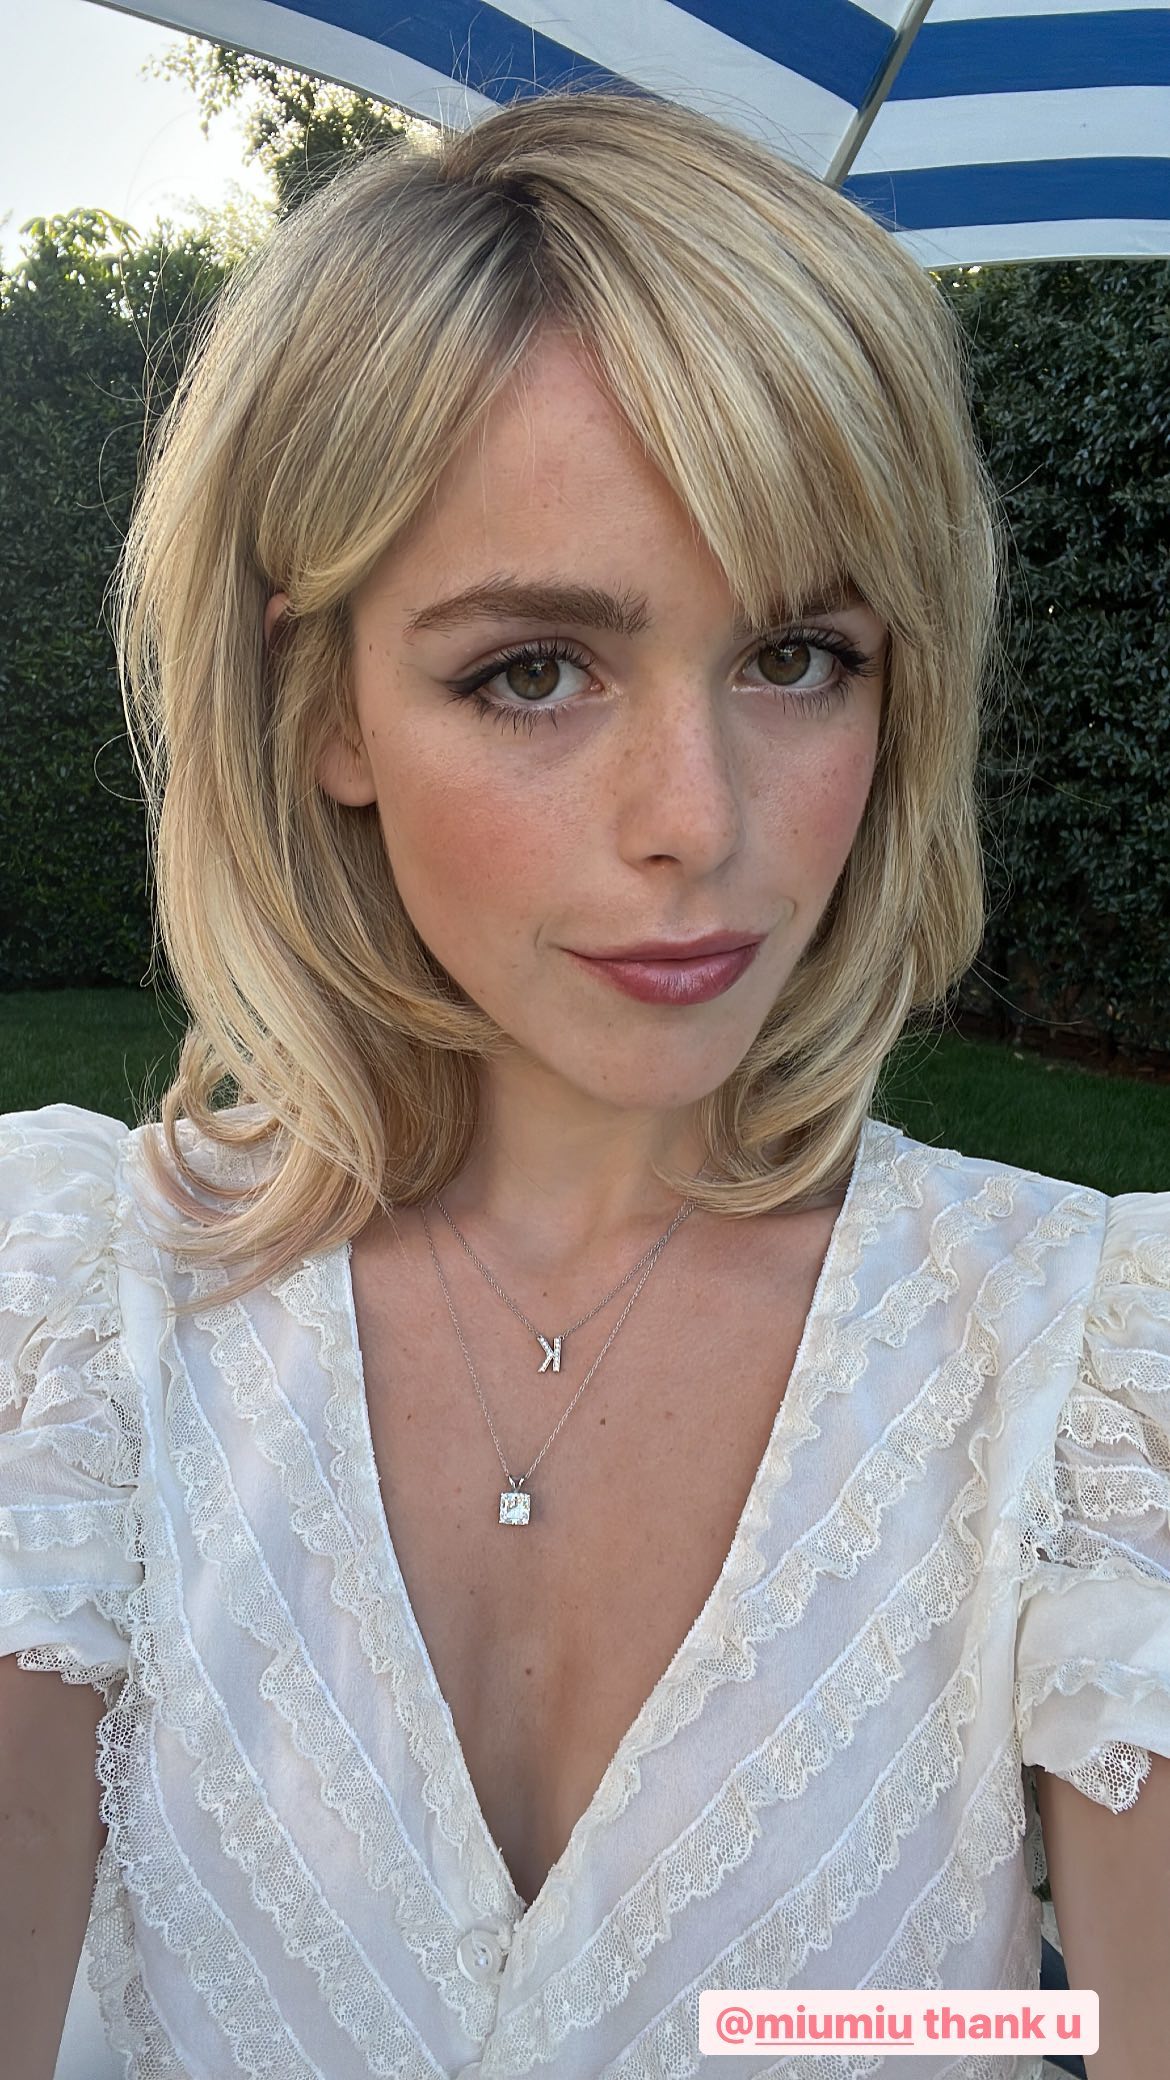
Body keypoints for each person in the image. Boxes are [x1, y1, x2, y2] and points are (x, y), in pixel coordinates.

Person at [1, 84, 1167, 2080]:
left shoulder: (1091, 1375)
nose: (695, 819)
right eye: (533, 668)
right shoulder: (71, 1328)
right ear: (323, 704)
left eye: (796, 655)